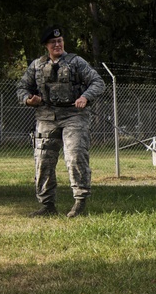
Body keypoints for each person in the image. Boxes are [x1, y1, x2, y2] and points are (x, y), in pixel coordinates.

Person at [16, 27, 106, 218]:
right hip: (46, 116)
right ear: (46, 46)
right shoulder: (37, 66)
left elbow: (98, 83)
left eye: (60, 41)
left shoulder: (76, 62)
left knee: (74, 156)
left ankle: (80, 202)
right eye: (53, 43)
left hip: (74, 115)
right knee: (42, 161)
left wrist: (85, 97)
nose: (57, 45)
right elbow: (22, 87)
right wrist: (28, 99)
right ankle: (47, 205)